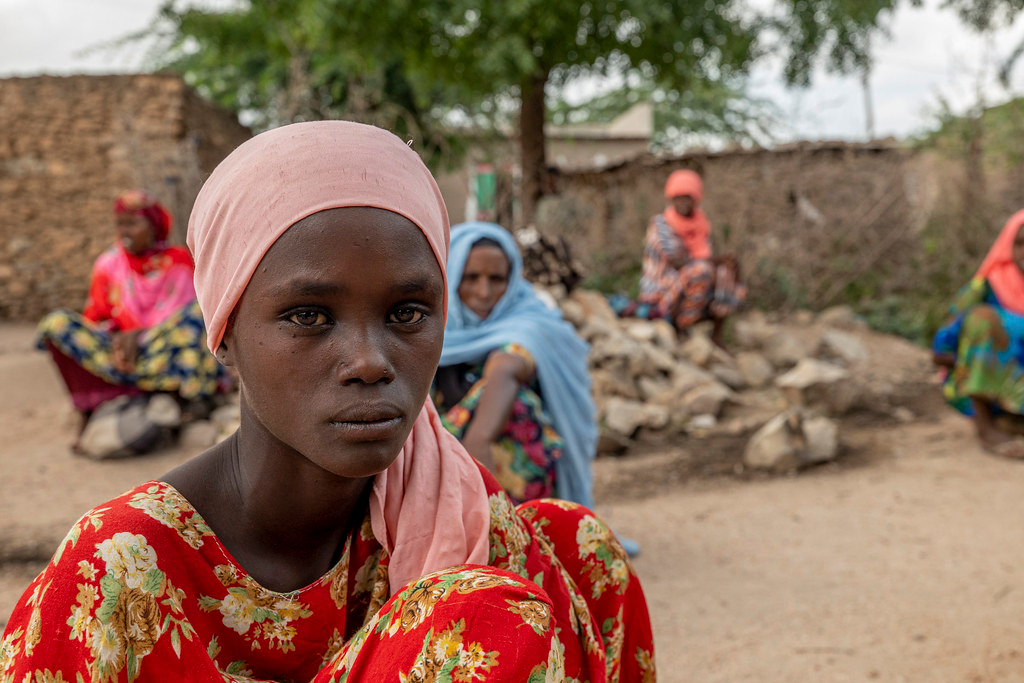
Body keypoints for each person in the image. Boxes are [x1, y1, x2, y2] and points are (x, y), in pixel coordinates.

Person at [0, 121, 655, 681]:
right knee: (479, 617)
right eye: (309, 315)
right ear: (225, 334)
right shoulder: (120, 569)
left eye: (407, 311)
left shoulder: (448, 504)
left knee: (578, 550)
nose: (370, 360)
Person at [36, 190, 228, 451]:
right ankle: (89, 405)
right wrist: (117, 337)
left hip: (162, 352)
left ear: (154, 227)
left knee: (199, 314)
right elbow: (96, 318)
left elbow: (186, 321)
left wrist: (140, 335)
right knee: (56, 323)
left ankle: (187, 400)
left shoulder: (179, 262)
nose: (124, 231)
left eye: (133, 224)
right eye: (120, 224)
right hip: (120, 355)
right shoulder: (108, 264)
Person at [433, 221, 596, 507]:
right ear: (450, 274)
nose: (483, 292)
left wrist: (480, 440)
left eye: (496, 279)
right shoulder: (430, 327)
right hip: (446, 468)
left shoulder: (531, 322)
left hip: (508, 473)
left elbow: (508, 366)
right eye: (470, 277)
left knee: (515, 403)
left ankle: (516, 527)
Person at [933, 209, 1024, 459]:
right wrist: (975, 363)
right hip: (986, 385)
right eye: (1019, 244)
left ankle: (1014, 422)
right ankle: (987, 429)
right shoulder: (987, 286)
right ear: (1007, 245)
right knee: (983, 319)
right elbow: (940, 351)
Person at [637, 169, 744, 344]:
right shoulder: (661, 224)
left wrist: (726, 263)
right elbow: (676, 262)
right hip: (660, 288)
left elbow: (705, 257)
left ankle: (717, 334)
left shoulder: (700, 224)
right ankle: (678, 326)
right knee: (702, 270)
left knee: (727, 271)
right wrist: (714, 261)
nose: (683, 202)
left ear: (695, 199)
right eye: (679, 197)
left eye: (688, 197)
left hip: (688, 284)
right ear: (671, 198)